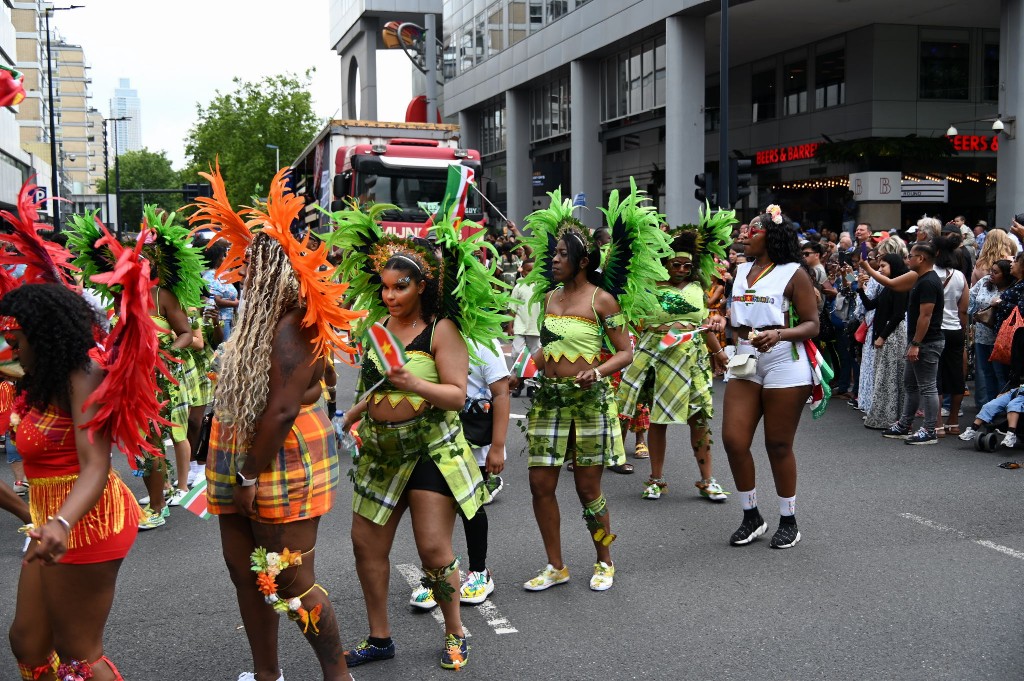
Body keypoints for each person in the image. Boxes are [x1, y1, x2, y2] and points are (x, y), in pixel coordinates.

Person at [193, 169, 362, 681]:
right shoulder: (258, 314)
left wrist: (248, 477)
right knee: (245, 573)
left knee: (289, 579)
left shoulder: (293, 323)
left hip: (276, 460)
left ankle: (338, 675)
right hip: (238, 452)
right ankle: (267, 673)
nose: (242, 267)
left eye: (253, 261)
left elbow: (281, 410)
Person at [329, 201, 506, 672]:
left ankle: (455, 630)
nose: (390, 296)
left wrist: (415, 385)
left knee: (433, 548)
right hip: (382, 452)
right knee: (366, 545)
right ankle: (379, 637)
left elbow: (454, 395)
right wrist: (356, 412)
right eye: (385, 287)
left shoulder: (442, 330)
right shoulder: (377, 330)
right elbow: (376, 385)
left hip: (431, 449)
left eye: (400, 287)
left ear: (422, 287)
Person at [515, 184, 670, 591]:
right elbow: (548, 349)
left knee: (588, 488)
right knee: (540, 485)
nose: (553, 259)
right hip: (549, 401)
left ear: (583, 261)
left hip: (590, 402)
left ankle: (604, 558)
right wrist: (524, 370)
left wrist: (598, 373)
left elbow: (625, 352)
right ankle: (556, 565)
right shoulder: (549, 297)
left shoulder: (603, 300)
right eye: (554, 254)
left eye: (562, 254)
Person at [4, 275, 159, 680]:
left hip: (86, 521)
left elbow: (96, 464)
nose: (11, 349)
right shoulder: (43, 379)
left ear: (44, 337)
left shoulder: (83, 375)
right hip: (51, 520)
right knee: (28, 640)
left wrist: (60, 522)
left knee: (78, 653)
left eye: (18, 340)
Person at [721, 204, 819, 549]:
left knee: (777, 444)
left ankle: (788, 519)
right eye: (745, 230)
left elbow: (812, 324)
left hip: (784, 359)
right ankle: (752, 516)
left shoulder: (794, 272)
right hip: (746, 357)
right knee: (734, 440)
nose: (744, 235)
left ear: (771, 235)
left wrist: (779, 334)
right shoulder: (741, 269)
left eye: (753, 230)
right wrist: (723, 323)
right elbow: (737, 319)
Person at [616, 219, 732, 502]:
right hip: (657, 357)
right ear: (665, 263)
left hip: (692, 360)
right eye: (675, 264)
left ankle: (707, 480)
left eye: (686, 266)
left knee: (699, 419)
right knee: (658, 420)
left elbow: (703, 325)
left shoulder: (697, 289)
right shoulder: (649, 287)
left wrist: (719, 353)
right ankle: (656, 479)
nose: (680, 270)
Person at [409, 338, 510, 610]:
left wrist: (498, 447)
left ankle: (480, 572)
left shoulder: (483, 341)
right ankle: (437, 574)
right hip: (434, 436)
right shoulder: (432, 334)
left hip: (473, 437)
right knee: (433, 506)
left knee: (471, 506)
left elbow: (501, 393)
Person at [866, 242, 945, 445]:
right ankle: (904, 424)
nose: (907, 259)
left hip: (927, 342)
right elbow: (892, 284)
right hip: (917, 341)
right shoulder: (918, 277)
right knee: (910, 384)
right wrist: (868, 269)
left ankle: (929, 430)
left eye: (911, 256)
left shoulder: (928, 282)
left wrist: (916, 343)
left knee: (927, 386)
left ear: (922, 259)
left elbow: (925, 316)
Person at [860, 254, 909, 429]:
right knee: (883, 377)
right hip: (884, 334)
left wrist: (882, 336)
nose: (880, 269)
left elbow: (898, 315)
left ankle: (890, 417)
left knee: (889, 377)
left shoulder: (900, 286)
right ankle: (883, 416)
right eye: (879, 266)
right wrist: (860, 289)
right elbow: (871, 305)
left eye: (883, 266)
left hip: (892, 335)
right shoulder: (887, 286)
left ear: (893, 266)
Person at [932, 228, 969, 437]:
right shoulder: (960, 276)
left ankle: (937, 424)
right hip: (955, 329)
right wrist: (962, 331)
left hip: (935, 331)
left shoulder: (927, 275)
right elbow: (963, 308)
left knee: (934, 378)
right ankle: (953, 421)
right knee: (956, 377)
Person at [970, 259, 1013, 406]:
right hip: (982, 335)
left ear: (1005, 274)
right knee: (986, 373)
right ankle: (989, 408)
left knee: (1000, 374)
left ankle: (1002, 410)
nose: (991, 275)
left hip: (1001, 338)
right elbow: (970, 298)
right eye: (991, 271)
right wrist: (973, 313)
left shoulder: (1012, 289)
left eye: (996, 272)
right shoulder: (983, 282)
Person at [509, 259, 541, 397]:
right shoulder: (518, 287)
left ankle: (533, 384)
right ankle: (518, 381)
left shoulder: (541, 286)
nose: (531, 273)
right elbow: (512, 308)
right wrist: (510, 326)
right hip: (520, 326)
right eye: (528, 270)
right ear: (522, 270)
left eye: (533, 270)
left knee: (535, 357)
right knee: (516, 353)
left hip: (536, 327)